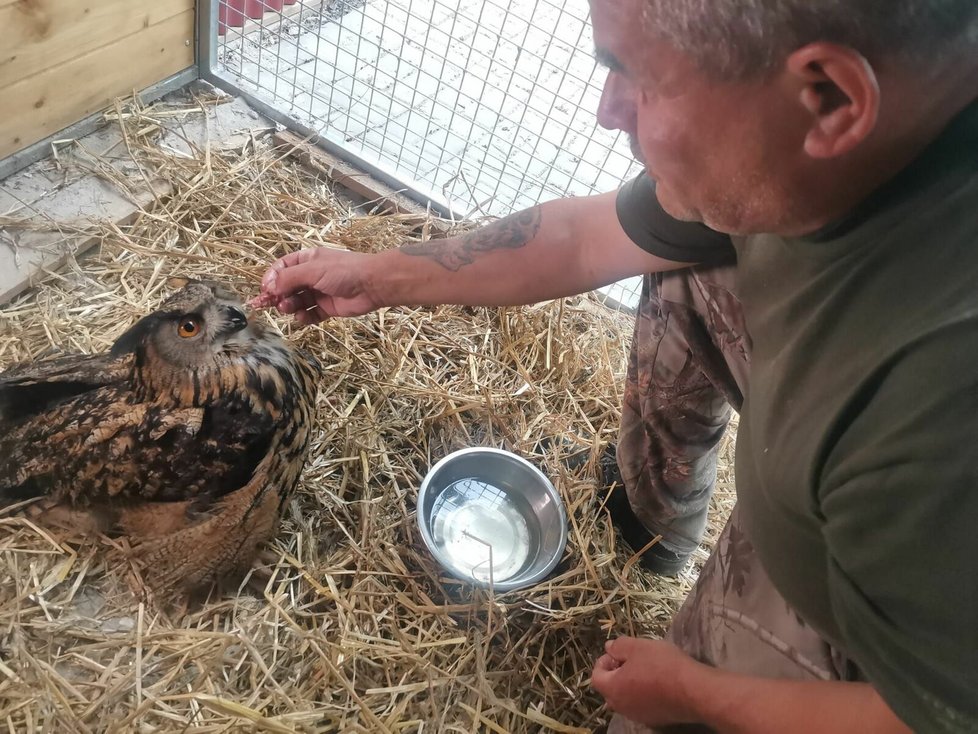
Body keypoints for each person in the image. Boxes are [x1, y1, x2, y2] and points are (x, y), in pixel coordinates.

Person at [253, 0, 978, 730]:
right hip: (859, 453)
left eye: (640, 78)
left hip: (886, 639)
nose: (607, 112)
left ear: (829, 98)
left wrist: (691, 694)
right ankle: (651, 518)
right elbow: (581, 239)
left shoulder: (934, 409)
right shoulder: (811, 150)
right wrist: (376, 276)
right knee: (689, 253)